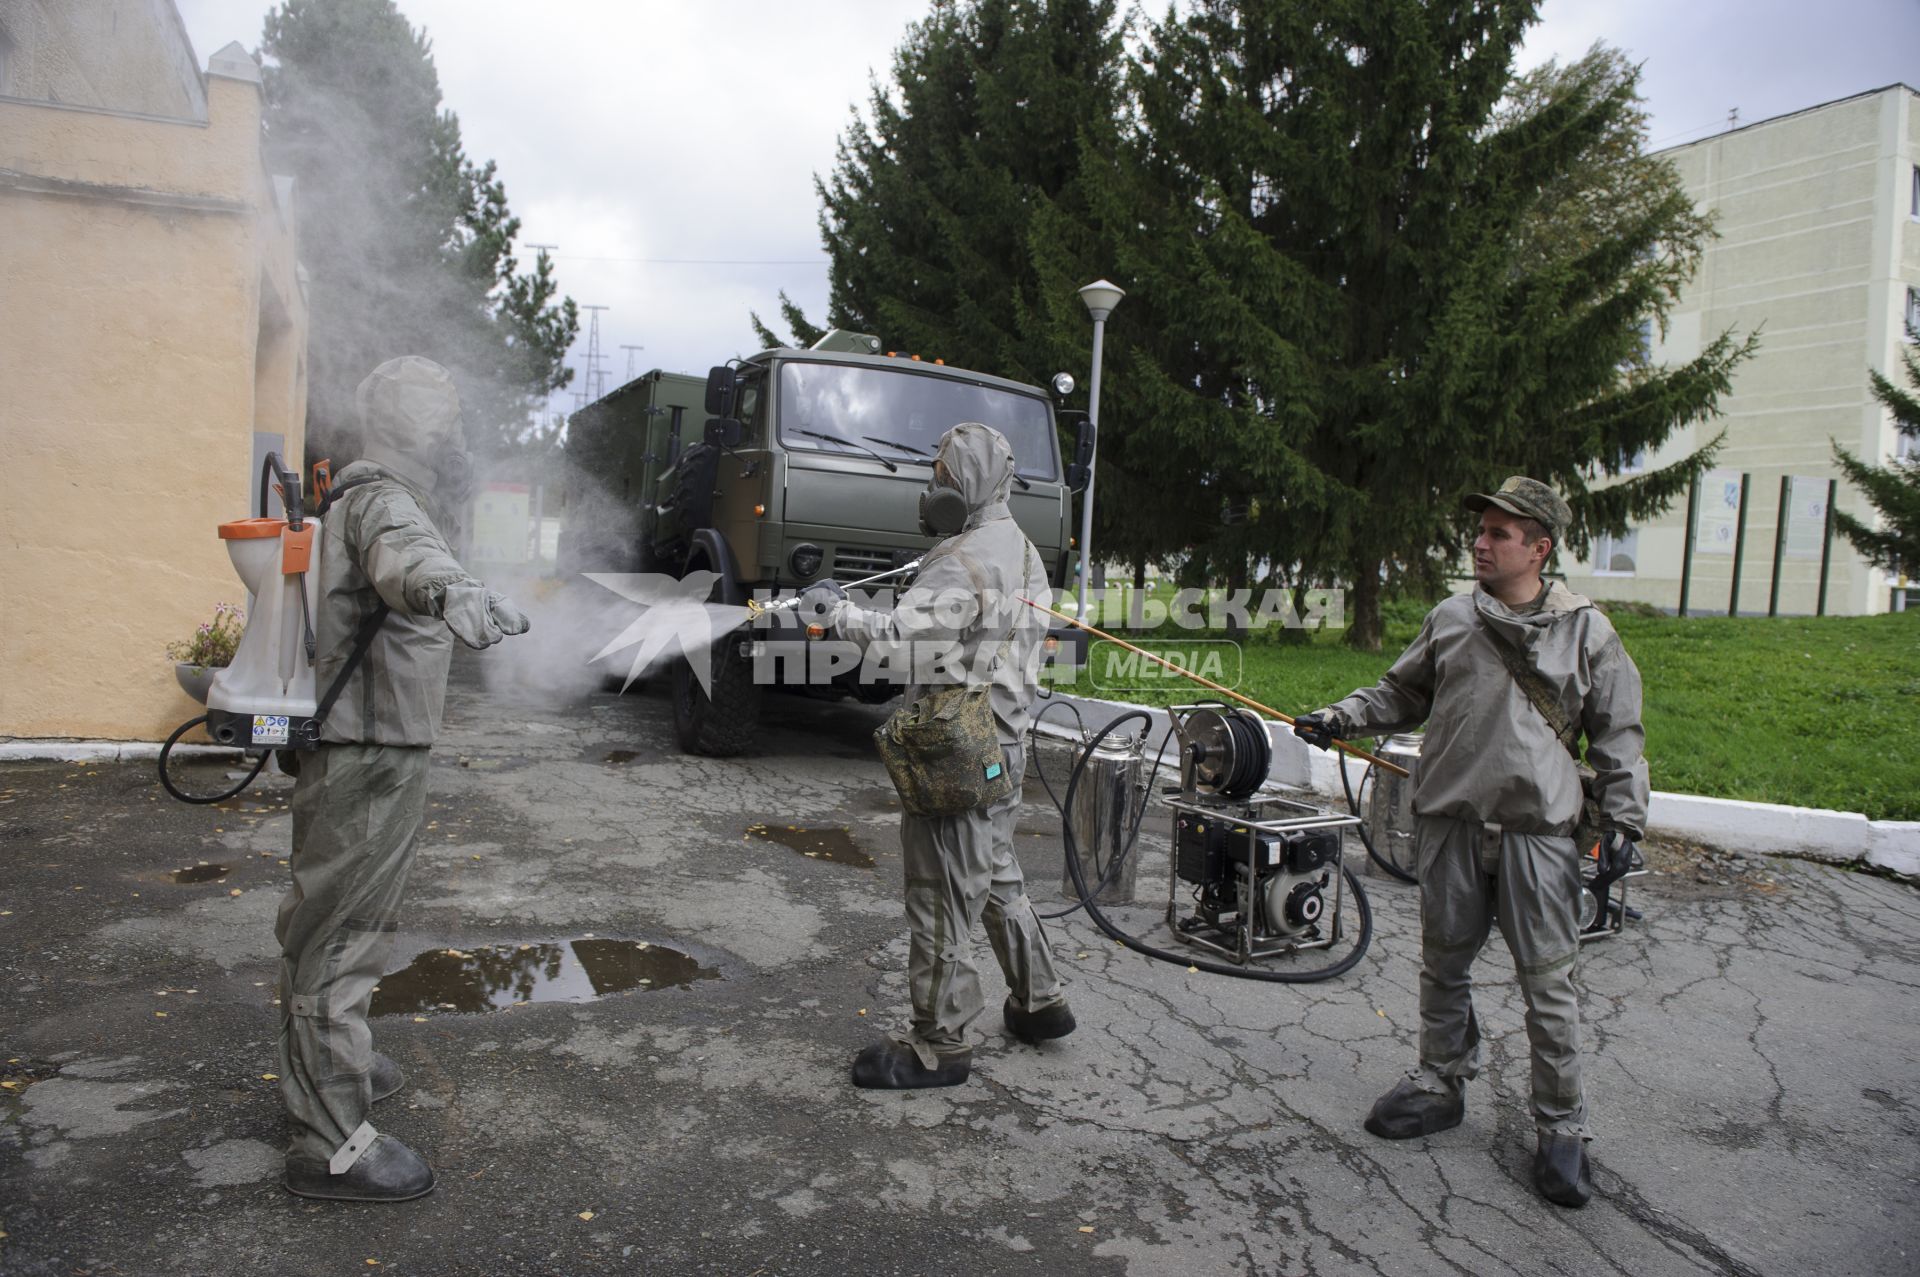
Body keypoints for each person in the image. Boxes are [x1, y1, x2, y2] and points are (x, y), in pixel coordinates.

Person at [1292, 476, 1648, 1208]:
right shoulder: (1451, 617)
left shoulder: (1587, 631)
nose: (1479, 544)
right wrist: (1340, 715)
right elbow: (1400, 692)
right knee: (1444, 964)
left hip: (1537, 839)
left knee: (1548, 984)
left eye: (1498, 534)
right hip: (1451, 827)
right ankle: (1440, 1081)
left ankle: (1561, 1127)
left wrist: (1624, 825)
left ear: (1539, 547)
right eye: (1479, 531)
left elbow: (1620, 737)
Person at [276, 357, 531, 1202]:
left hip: (360, 744)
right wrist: (453, 586)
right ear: (414, 421)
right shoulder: (387, 501)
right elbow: (409, 562)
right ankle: (330, 1141)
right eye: (439, 409)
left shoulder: (357, 495)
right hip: (371, 748)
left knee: (327, 922)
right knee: (342, 936)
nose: (447, 423)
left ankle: (328, 1070)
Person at [799, 422, 1074, 1088]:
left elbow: (897, 642)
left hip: (954, 745)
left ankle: (939, 1043)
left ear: (972, 482)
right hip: (1002, 744)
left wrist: (837, 613)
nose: (933, 488)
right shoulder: (1019, 547)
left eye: (942, 476)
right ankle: (1039, 1000)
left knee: (943, 887)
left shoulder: (960, 560)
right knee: (995, 871)